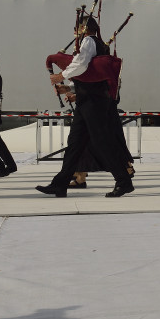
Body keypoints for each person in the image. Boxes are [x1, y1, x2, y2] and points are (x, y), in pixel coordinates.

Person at [37, 15, 134, 197]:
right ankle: (60, 184)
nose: (74, 32)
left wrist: (61, 76)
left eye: (76, 28)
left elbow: (80, 65)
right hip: (87, 100)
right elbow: (90, 74)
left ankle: (123, 181)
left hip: (93, 101)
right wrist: (71, 87)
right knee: (75, 143)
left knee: (101, 140)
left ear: (84, 29)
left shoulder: (88, 41)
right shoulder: (95, 43)